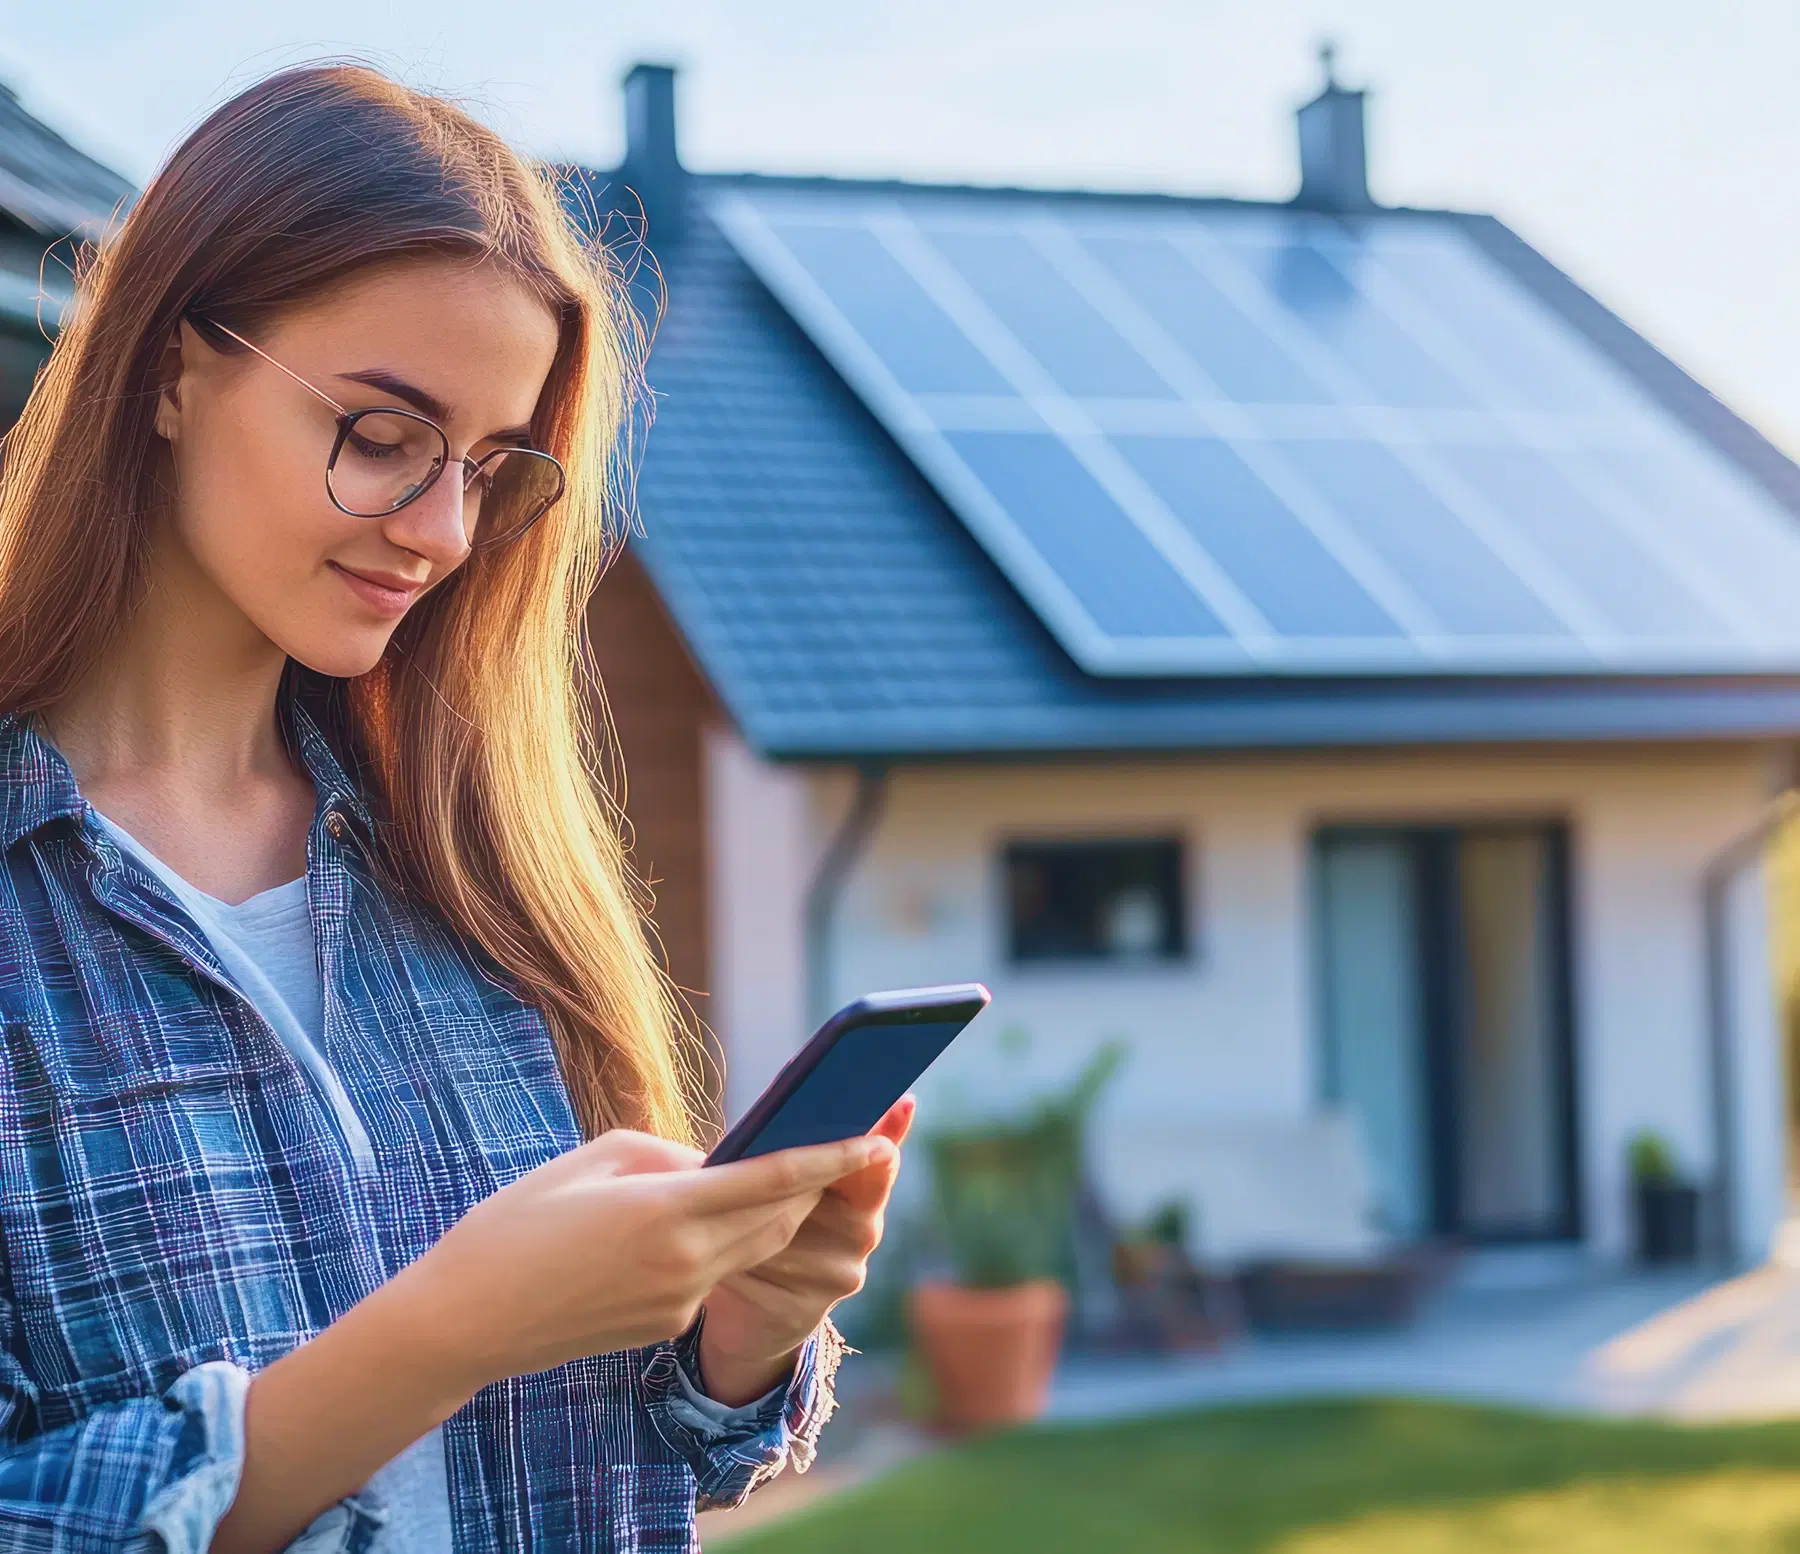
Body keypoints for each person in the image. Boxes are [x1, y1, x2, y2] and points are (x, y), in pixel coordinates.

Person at [0, 62, 911, 1552]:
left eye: (490, 471)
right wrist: (447, 1330)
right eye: (380, 434)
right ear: (171, 372)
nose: (440, 532)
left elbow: (635, 1463)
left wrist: (742, 1332)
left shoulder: (481, 882)